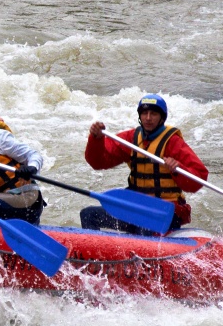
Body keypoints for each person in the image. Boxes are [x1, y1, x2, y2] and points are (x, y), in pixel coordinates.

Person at [82, 93, 207, 234]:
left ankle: (139, 252)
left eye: (153, 114)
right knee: (88, 215)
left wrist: (177, 169)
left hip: (165, 212)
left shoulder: (173, 142)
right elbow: (98, 163)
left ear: (162, 117)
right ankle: (96, 254)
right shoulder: (130, 138)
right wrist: (96, 139)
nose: (148, 118)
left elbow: (200, 178)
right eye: (144, 113)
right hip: (137, 208)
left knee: (143, 228)